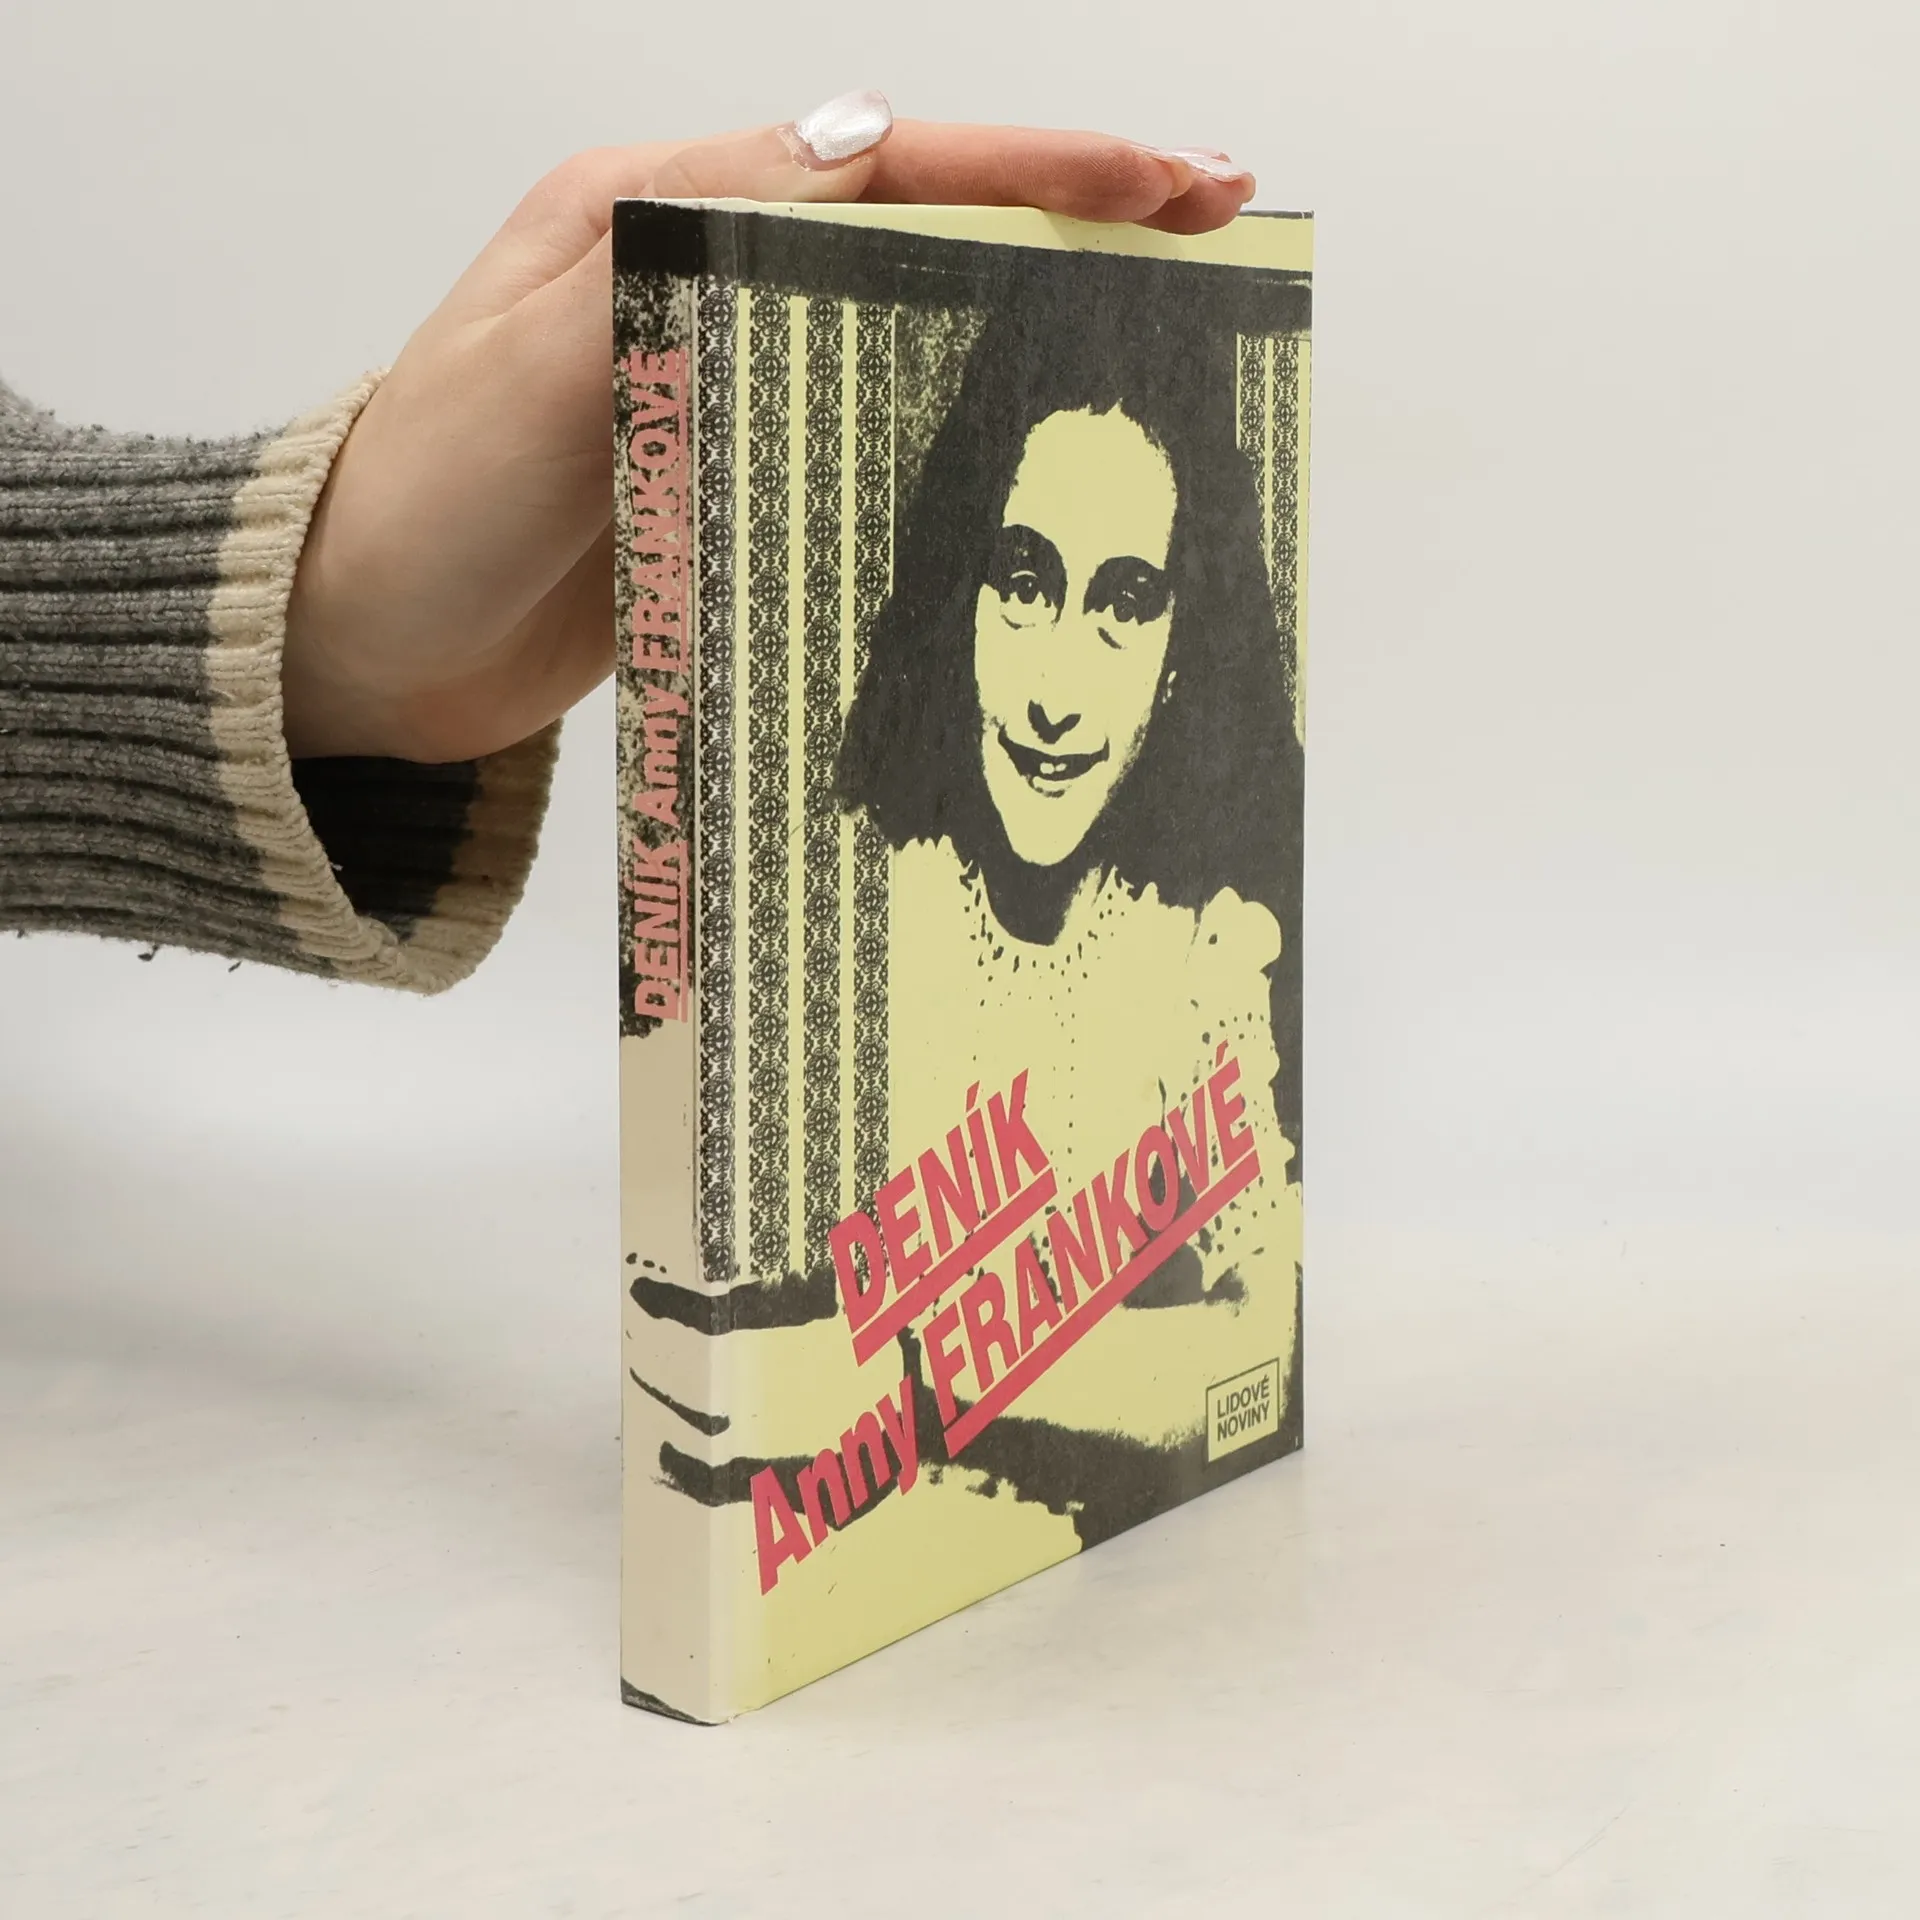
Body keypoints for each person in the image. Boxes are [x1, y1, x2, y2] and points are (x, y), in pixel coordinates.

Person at [0, 94, 1253, 984]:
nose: (1055, 692)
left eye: (1128, 601)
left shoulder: (1225, 966)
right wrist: (316, 631)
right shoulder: (840, 927)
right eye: (1020, 579)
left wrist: (329, 647)